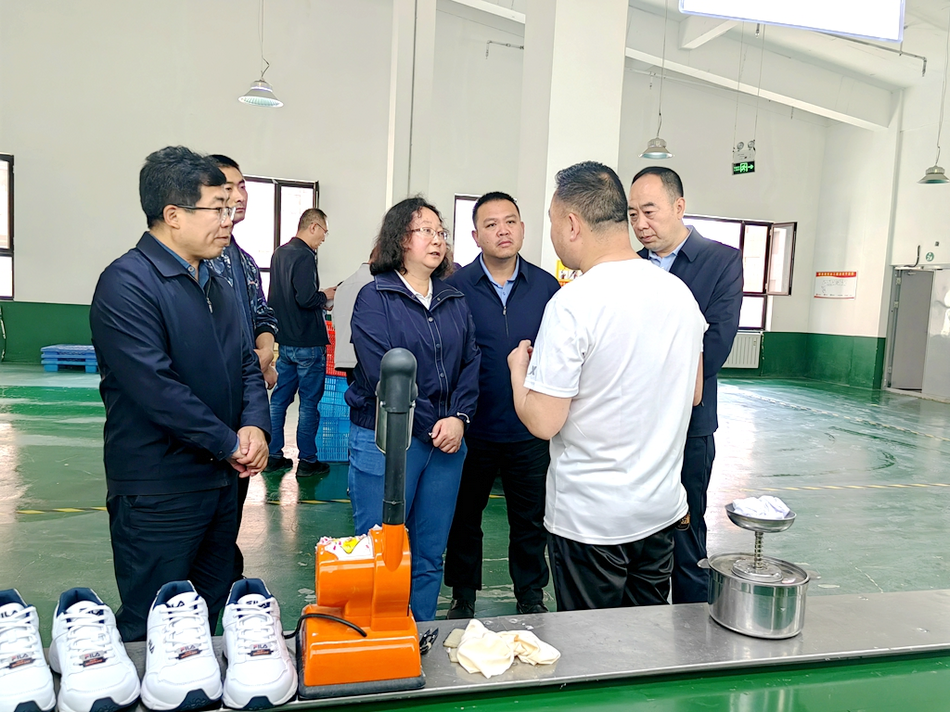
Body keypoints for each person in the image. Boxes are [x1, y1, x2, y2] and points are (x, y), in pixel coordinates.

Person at [89, 146, 270, 642]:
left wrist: (255, 425)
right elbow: (156, 389)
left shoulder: (215, 281)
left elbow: (246, 363)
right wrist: (229, 442)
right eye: (217, 208)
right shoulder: (127, 284)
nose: (229, 219)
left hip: (221, 482)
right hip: (160, 489)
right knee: (155, 620)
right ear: (173, 215)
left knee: (209, 610)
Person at [507, 161, 705, 612]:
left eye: (553, 222)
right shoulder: (680, 294)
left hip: (592, 522)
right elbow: (693, 393)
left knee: (590, 644)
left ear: (572, 224)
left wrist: (519, 370)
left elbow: (543, 421)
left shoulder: (573, 303)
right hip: (659, 511)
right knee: (644, 635)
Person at [346, 196, 480, 622]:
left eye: (441, 232)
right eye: (426, 231)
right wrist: (434, 424)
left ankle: (418, 633)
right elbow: (381, 374)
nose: (437, 239)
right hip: (387, 440)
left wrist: (458, 419)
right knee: (380, 550)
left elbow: (471, 361)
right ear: (401, 239)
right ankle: (378, 636)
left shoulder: (454, 299)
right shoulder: (375, 297)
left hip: (446, 442)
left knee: (429, 551)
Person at [442, 191, 560, 619]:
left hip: (529, 427)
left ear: (523, 229)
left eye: (510, 221)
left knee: (529, 518)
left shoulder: (547, 288)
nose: (503, 231)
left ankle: (530, 593)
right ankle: (463, 595)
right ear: (476, 236)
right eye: (491, 224)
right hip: (472, 426)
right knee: (464, 516)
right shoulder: (454, 289)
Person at [628, 166, 743, 604]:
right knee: (637, 529)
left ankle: (693, 621)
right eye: (633, 214)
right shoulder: (629, 266)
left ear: (679, 206)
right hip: (634, 425)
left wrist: (647, 379)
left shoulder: (721, 261)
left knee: (686, 529)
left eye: (650, 211)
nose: (641, 224)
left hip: (690, 424)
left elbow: (715, 346)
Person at [207, 154, 280, 585]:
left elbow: (262, 314)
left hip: (244, 405)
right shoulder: (196, 262)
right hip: (208, 414)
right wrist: (250, 362)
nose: (239, 195)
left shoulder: (245, 261)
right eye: (227, 187)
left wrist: (265, 351)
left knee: (227, 521)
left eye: (242, 186)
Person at [266, 208, 336, 477]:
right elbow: (306, 299)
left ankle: (273, 455)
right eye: (324, 232)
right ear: (314, 226)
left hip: (285, 342)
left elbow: (278, 298)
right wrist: (325, 295)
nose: (323, 239)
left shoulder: (280, 253)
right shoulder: (305, 255)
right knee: (308, 404)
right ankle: (307, 461)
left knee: (279, 400)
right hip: (308, 342)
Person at [332, 249, 376, 383]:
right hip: (367, 358)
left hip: (346, 357)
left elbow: (335, 322)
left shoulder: (343, 286)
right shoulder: (375, 285)